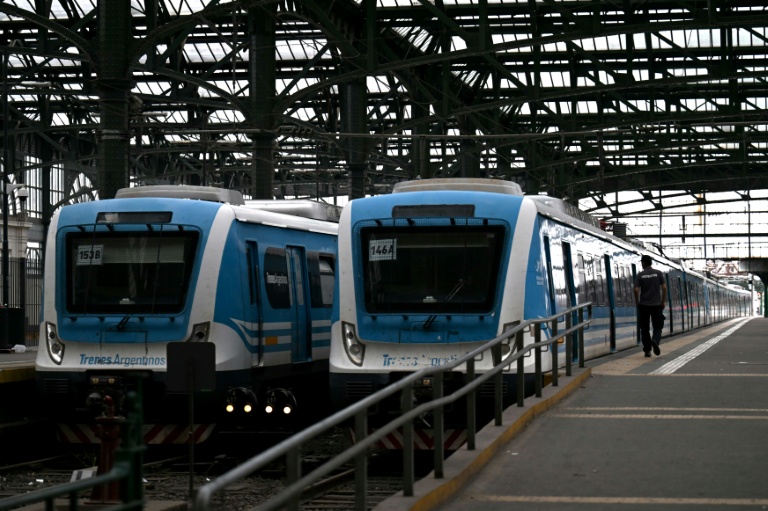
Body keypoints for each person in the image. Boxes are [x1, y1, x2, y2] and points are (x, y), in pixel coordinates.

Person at [634, 254, 667, 357]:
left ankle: (647, 350)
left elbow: (636, 289)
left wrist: (637, 302)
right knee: (658, 326)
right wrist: (662, 301)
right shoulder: (658, 273)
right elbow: (664, 288)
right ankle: (655, 340)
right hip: (656, 305)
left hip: (644, 305)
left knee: (644, 328)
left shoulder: (640, 275)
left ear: (643, 263)